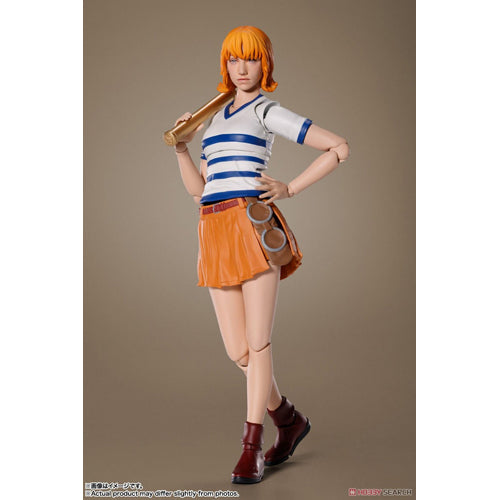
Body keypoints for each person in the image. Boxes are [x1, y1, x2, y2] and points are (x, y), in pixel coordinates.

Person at [172, 26, 349, 484]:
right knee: (239, 351)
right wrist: (183, 149)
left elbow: (338, 147)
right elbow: (199, 191)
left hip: (252, 227)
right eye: (234, 59)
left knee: (258, 342)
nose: (241, 68)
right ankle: (288, 418)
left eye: (250, 58)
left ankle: (251, 446)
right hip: (213, 229)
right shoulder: (214, 119)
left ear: (264, 63)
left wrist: (290, 188)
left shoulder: (266, 110)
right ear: (225, 65)